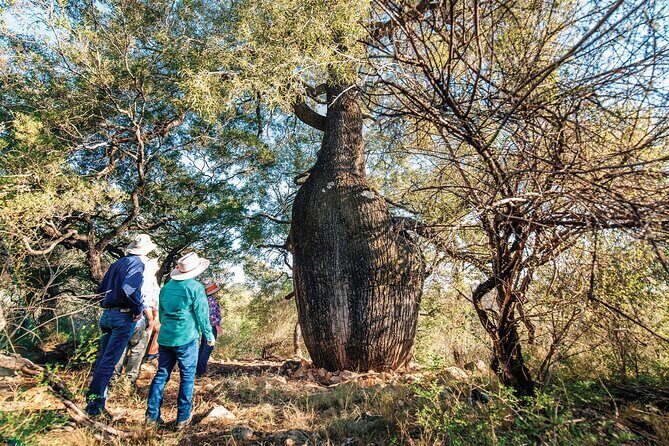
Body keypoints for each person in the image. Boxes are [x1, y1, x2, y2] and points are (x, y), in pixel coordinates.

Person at [86, 234, 156, 418]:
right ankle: (95, 407)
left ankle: (93, 402)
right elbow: (129, 289)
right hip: (123, 316)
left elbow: (101, 290)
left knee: (103, 360)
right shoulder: (138, 264)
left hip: (107, 314)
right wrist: (137, 309)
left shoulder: (117, 263)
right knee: (109, 362)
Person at [145, 252, 215, 429]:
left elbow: (161, 313)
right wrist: (209, 335)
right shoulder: (196, 287)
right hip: (186, 338)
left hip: (166, 337)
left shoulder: (167, 287)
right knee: (187, 377)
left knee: (161, 374)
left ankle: (151, 417)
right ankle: (183, 418)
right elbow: (202, 315)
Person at [113, 258, 161, 384]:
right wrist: (150, 318)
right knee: (137, 349)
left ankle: (113, 379)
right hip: (142, 317)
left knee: (122, 347)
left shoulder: (134, 276)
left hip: (127, 315)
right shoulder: (147, 279)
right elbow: (146, 300)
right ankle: (128, 381)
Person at [196, 283, 222, 377]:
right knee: (207, 348)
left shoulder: (205, 300)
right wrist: (216, 325)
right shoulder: (211, 300)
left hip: (206, 327)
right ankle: (201, 371)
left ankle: (198, 369)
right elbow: (211, 316)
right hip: (211, 327)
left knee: (203, 347)